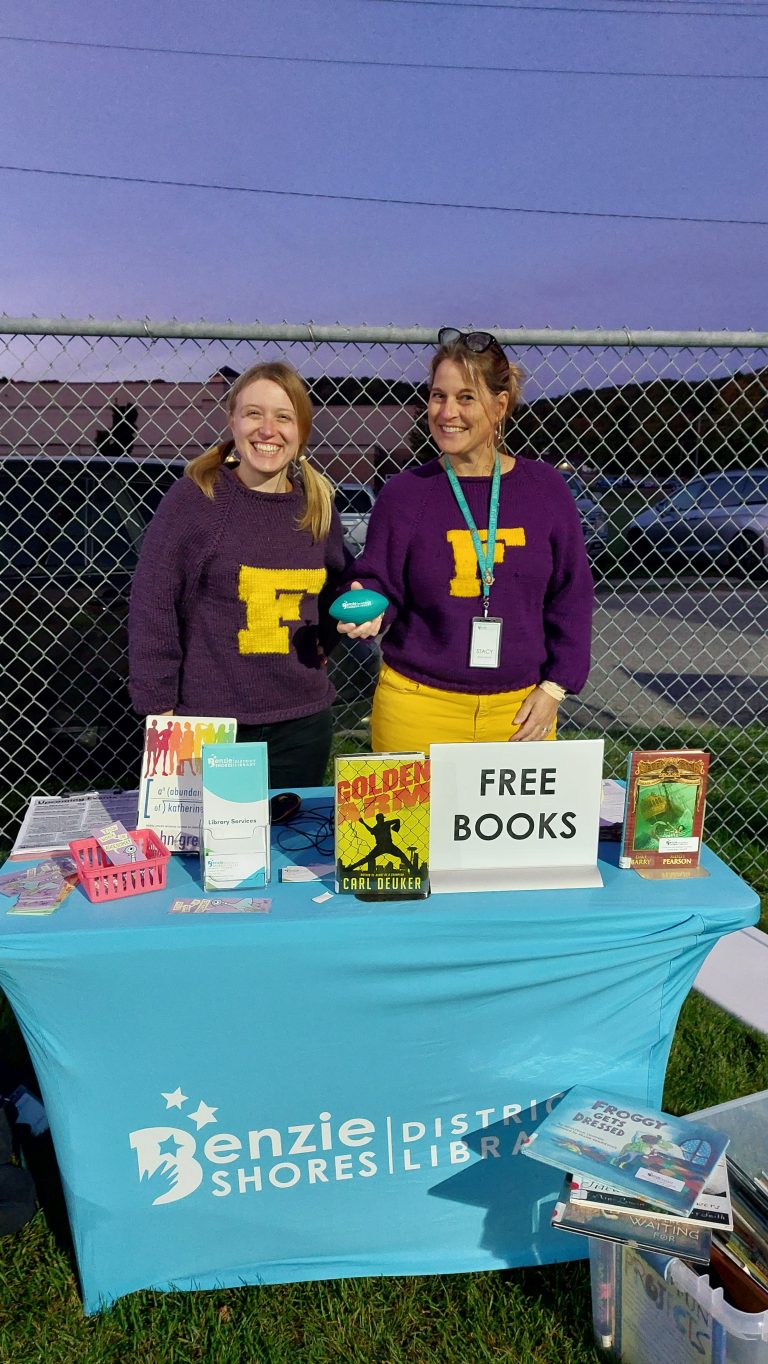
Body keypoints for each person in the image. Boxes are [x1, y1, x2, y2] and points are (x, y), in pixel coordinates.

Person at [338, 328, 593, 751]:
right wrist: (368, 606)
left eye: (465, 397)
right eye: (438, 396)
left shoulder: (545, 488)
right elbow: (380, 580)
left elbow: (572, 593)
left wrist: (555, 689)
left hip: (521, 708)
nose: (446, 411)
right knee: (405, 821)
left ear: (499, 405)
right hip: (417, 705)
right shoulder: (406, 492)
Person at [129, 361, 349, 787]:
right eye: (253, 413)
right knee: (212, 852)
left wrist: (330, 638)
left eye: (283, 417)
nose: (268, 430)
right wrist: (160, 708)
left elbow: (342, 589)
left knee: (290, 847)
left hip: (301, 724)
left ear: (302, 430)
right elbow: (153, 605)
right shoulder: (197, 499)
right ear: (232, 421)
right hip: (212, 727)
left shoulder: (317, 507)